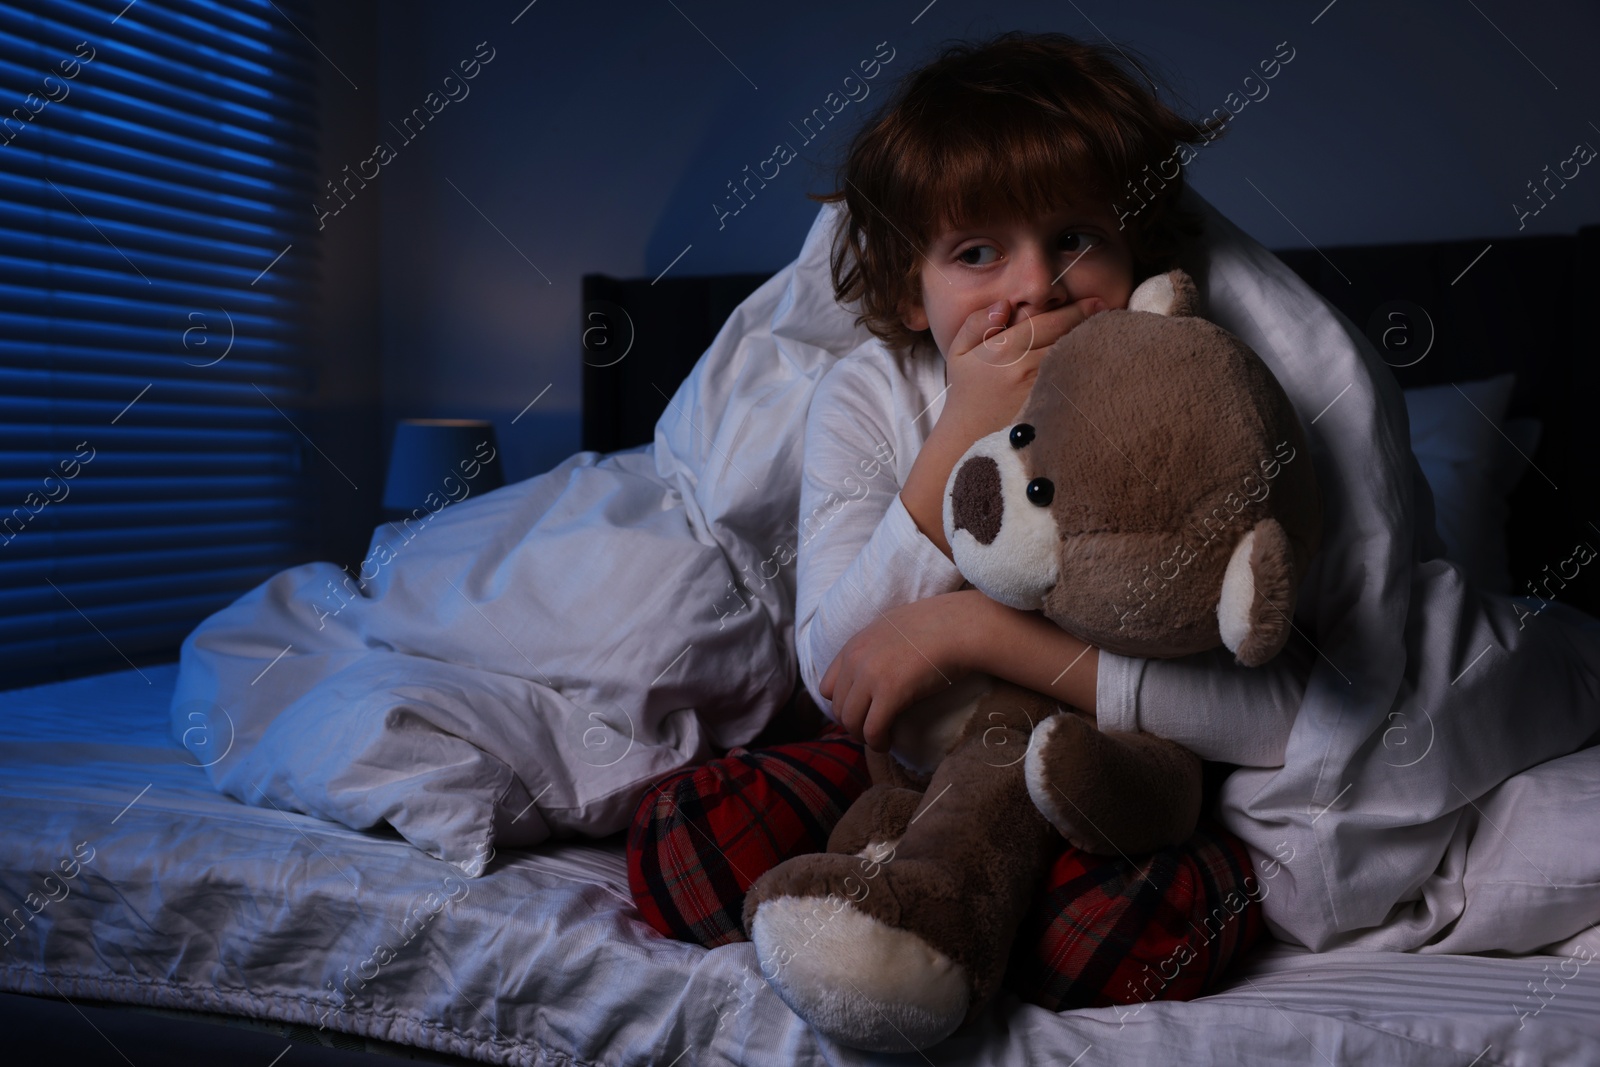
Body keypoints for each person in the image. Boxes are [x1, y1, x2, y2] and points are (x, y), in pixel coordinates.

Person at [629, 31, 1279, 1013]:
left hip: (1102, 770)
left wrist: (968, 629)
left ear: (1130, 244)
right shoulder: (871, 391)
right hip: (902, 756)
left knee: (1120, 932)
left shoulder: (1174, 380)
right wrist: (964, 421)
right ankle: (923, 889)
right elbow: (838, 669)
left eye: (1073, 238)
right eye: (976, 252)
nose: (1034, 285)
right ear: (906, 286)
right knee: (686, 842)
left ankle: (946, 912)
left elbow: (1266, 718)